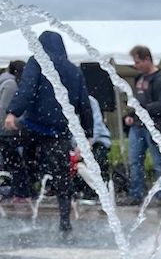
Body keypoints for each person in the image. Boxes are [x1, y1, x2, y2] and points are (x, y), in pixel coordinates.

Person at [4, 31, 94, 231]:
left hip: (33, 126)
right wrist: (87, 134)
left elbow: (26, 89)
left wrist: (13, 112)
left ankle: (26, 180)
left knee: (7, 143)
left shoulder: (37, 62)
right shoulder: (73, 70)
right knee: (62, 176)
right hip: (59, 132)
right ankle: (65, 221)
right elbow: (84, 104)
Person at [119, 45, 161, 206]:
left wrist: (143, 109)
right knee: (134, 161)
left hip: (156, 127)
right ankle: (136, 194)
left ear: (147, 59)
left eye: (137, 62)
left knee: (159, 162)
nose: (135, 66)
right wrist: (131, 115)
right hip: (137, 126)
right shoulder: (139, 79)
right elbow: (138, 102)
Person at [0, 60, 32, 202]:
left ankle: (19, 190)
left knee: (13, 161)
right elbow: (4, 108)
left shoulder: (5, 81)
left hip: (6, 131)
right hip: (6, 131)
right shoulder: (11, 85)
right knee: (15, 161)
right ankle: (21, 192)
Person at [73, 95, 112, 201]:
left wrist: (85, 144)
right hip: (76, 145)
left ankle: (96, 192)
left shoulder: (91, 101)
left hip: (97, 140)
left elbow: (97, 125)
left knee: (96, 159)